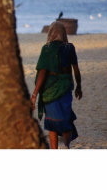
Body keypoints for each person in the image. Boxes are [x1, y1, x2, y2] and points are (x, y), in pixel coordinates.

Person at [31, 21, 82, 149]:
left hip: (50, 90)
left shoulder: (47, 49)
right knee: (65, 119)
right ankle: (66, 144)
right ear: (64, 34)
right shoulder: (70, 47)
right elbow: (76, 69)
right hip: (66, 89)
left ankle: (55, 149)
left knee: (52, 124)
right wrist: (78, 86)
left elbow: (42, 72)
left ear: (50, 34)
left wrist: (35, 93)